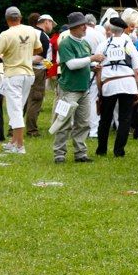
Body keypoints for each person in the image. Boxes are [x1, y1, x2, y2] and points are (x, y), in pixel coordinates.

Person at [0, 6, 41, 154]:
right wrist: (24, 52)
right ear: (20, 17)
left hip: (13, 75)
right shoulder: (31, 30)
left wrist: (6, 55)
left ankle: (20, 146)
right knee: (18, 107)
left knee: (14, 110)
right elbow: (39, 49)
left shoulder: (5, 34)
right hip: (29, 74)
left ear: (7, 19)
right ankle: (14, 141)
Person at [52, 12, 105, 164]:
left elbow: (82, 63)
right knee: (64, 122)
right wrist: (91, 59)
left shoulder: (84, 43)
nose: (85, 27)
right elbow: (71, 65)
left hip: (83, 89)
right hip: (68, 89)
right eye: (82, 25)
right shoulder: (65, 44)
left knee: (83, 123)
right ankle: (59, 154)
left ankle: (80, 153)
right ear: (74, 27)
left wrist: (92, 67)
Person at [95, 17, 138, 158]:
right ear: (123, 30)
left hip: (109, 84)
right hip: (128, 84)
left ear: (110, 29)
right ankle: (119, 151)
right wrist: (137, 90)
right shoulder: (129, 45)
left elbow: (98, 70)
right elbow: (137, 71)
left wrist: (100, 90)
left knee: (105, 118)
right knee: (125, 119)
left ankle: (101, 149)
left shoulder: (103, 45)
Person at [25, 13, 54, 137]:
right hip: (37, 70)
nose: (52, 27)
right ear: (46, 22)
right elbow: (40, 57)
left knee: (22, 99)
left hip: (24, 70)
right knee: (35, 99)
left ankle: (13, 129)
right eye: (52, 23)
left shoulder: (27, 32)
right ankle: (32, 130)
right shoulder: (43, 36)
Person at [84, 13, 106, 137]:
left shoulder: (79, 33)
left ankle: (76, 126)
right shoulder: (99, 35)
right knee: (93, 99)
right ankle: (93, 130)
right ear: (94, 24)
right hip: (95, 67)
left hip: (82, 67)